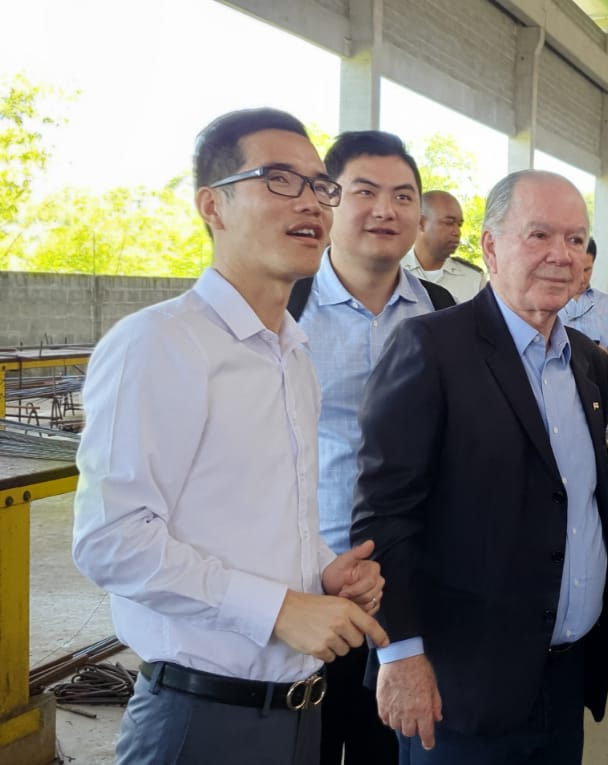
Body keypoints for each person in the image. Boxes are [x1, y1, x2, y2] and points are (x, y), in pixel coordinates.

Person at [71, 107, 388, 765]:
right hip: (200, 723)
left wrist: (321, 573)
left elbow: (256, 519)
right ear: (212, 205)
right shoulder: (158, 344)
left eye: (319, 185)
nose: (311, 201)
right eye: (279, 179)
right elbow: (109, 540)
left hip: (302, 712)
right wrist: (279, 609)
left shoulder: (292, 357)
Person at [351, 169, 608, 765]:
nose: (561, 255)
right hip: (462, 685)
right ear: (491, 247)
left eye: (575, 240)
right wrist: (402, 655)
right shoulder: (431, 348)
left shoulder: (586, 366)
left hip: (563, 675)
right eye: (539, 235)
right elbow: (385, 515)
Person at [290, 130, 447, 765]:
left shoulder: (442, 315)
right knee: (312, 746)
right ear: (328, 200)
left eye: (403, 195)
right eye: (365, 191)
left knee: (397, 749)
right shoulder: (284, 307)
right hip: (308, 586)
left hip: (412, 589)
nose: (386, 209)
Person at [559, 237, 608, 373]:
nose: (582, 277)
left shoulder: (607, 305)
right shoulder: (549, 303)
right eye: (576, 269)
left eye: (587, 270)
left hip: (596, 387)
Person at [401, 189, 487, 300]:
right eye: (449, 223)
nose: (457, 232)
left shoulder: (474, 279)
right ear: (421, 223)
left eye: (459, 225)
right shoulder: (390, 274)